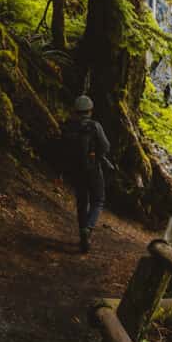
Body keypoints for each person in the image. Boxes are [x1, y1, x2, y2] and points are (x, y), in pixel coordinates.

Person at [62, 95, 110, 252]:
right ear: (90, 110)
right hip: (93, 168)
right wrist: (97, 156)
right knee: (98, 200)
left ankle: (83, 232)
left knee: (82, 202)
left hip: (75, 170)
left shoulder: (69, 125)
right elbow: (105, 146)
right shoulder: (94, 126)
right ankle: (88, 229)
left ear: (76, 110)